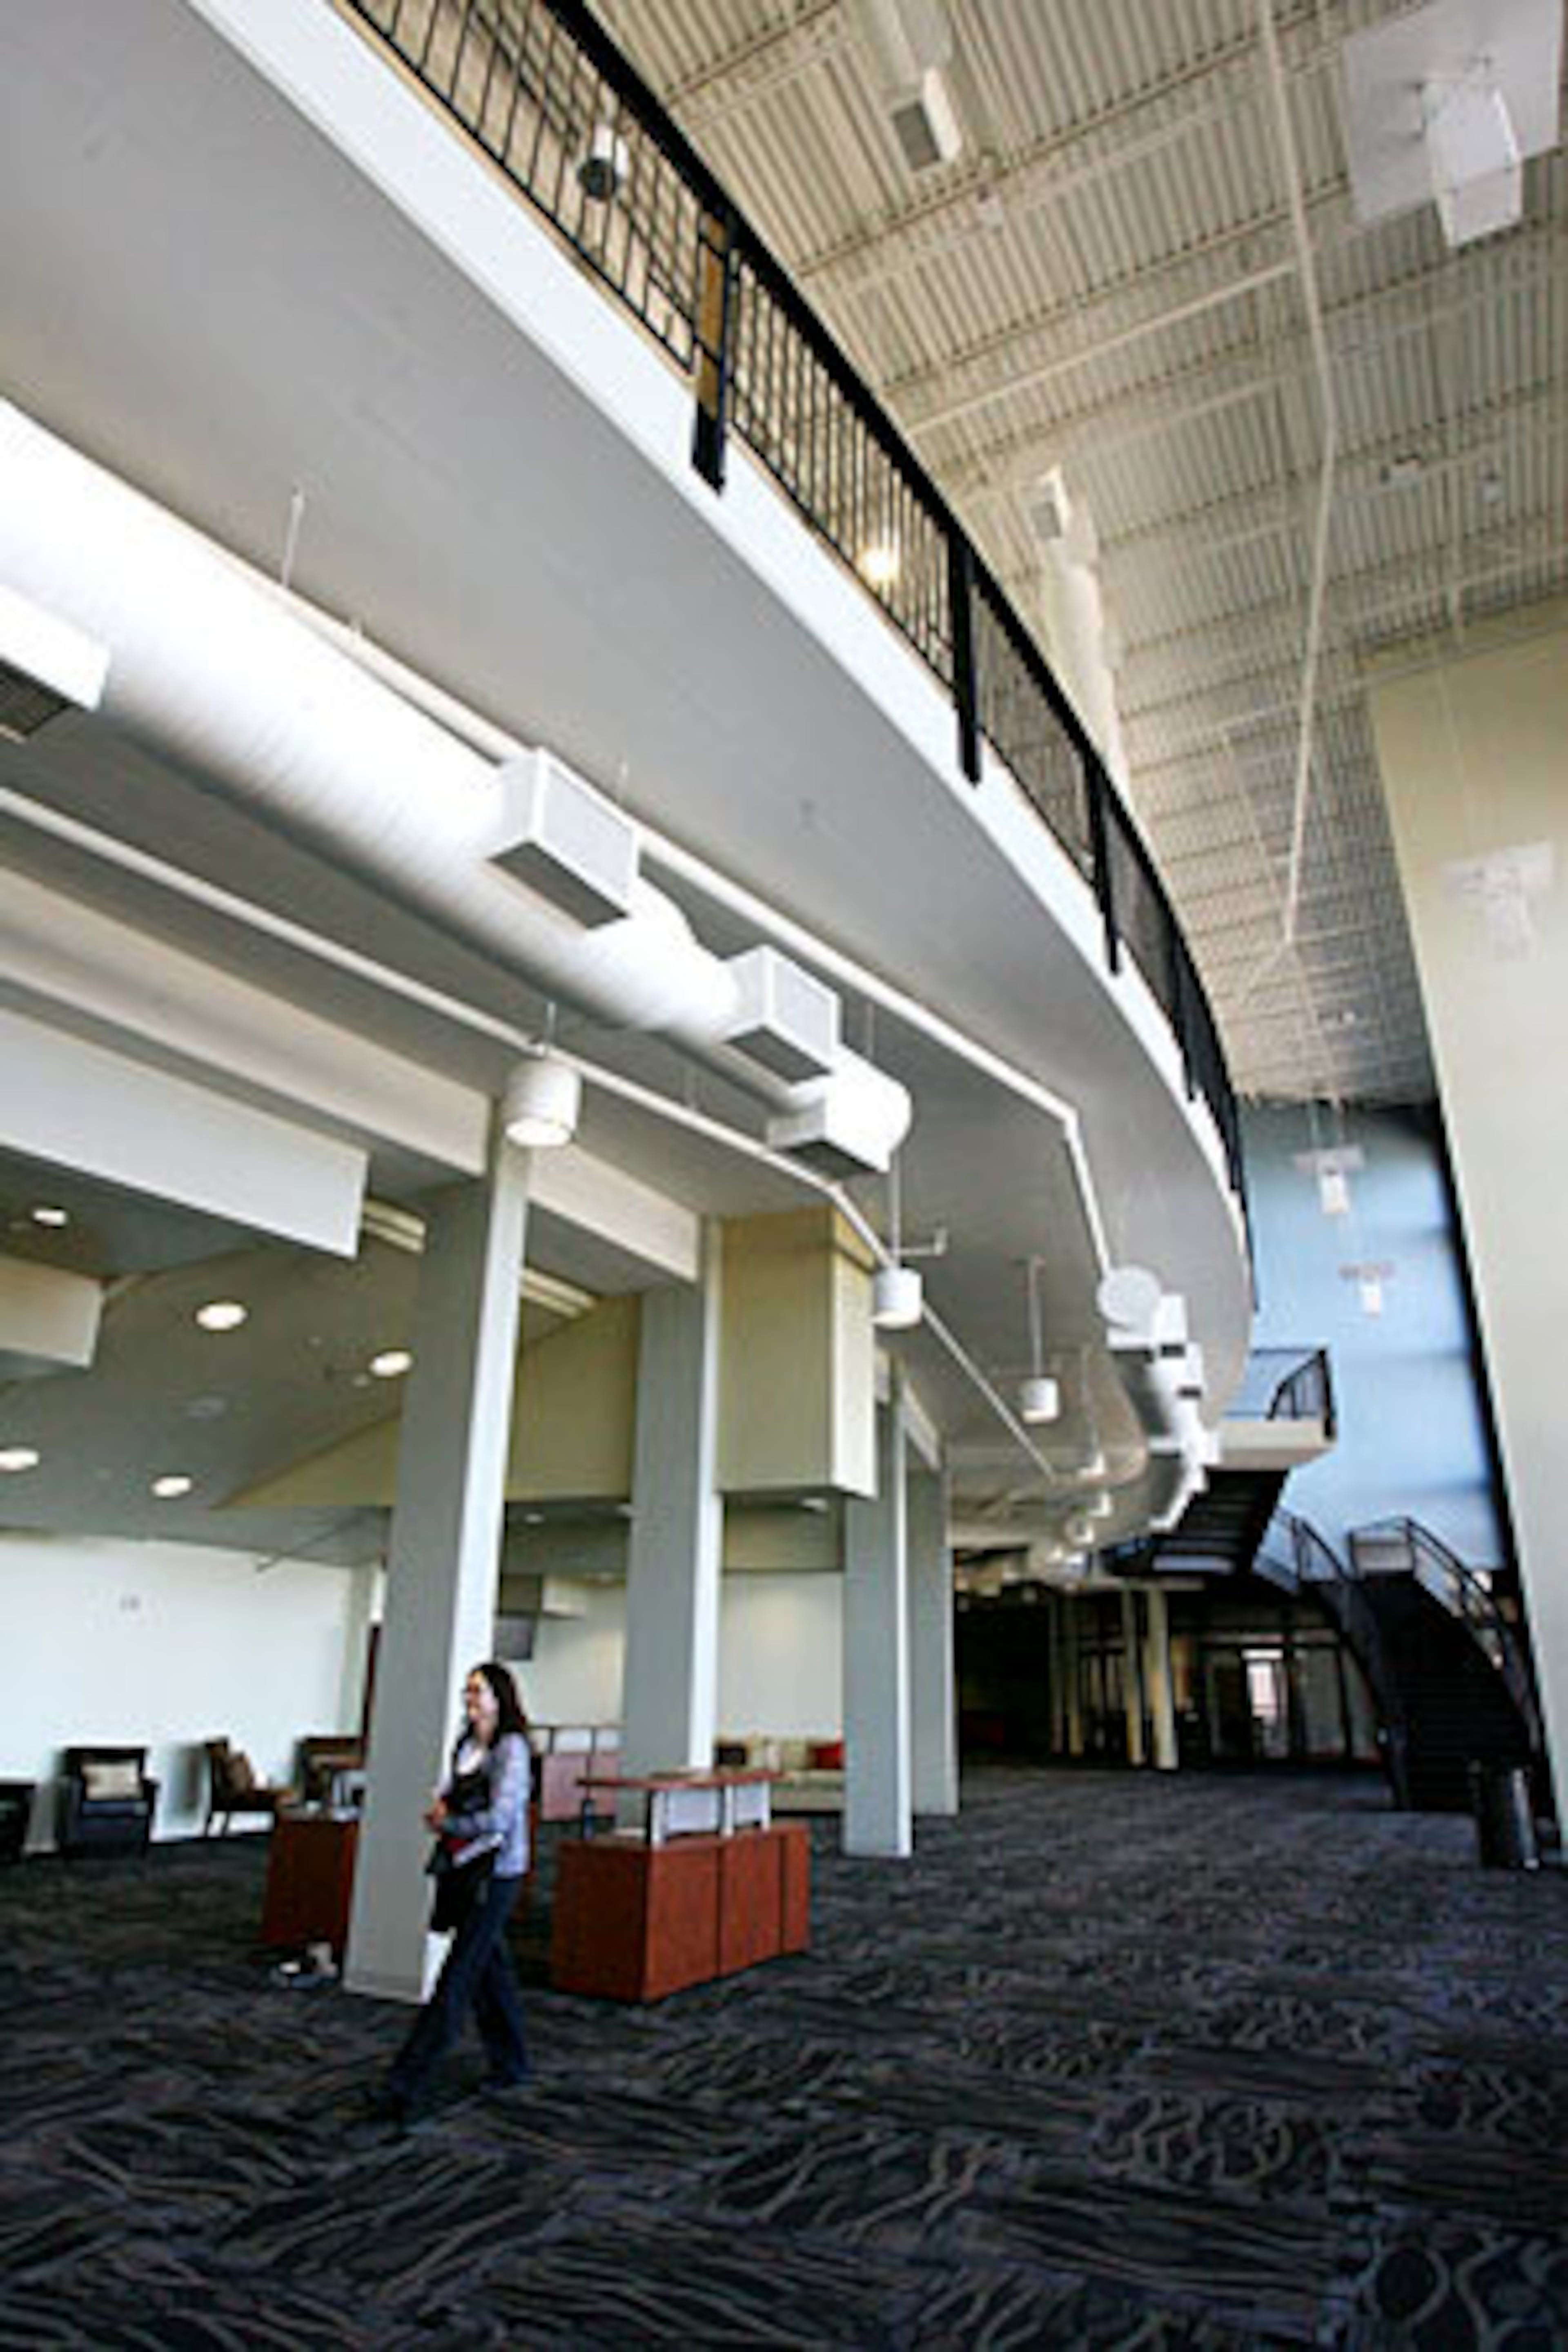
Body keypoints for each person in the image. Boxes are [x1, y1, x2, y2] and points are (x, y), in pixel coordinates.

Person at [377, 1660, 532, 2128]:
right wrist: (443, 1812)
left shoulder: (511, 1748)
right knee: (492, 1970)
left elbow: (503, 1819)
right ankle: (512, 2064)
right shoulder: (466, 1743)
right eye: (467, 1692)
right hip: (462, 1866)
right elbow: (452, 1790)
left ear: (500, 1698)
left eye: (478, 1692)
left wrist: (450, 1824)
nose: (470, 1700)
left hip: (497, 1872)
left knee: (458, 1978)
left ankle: (404, 2083)